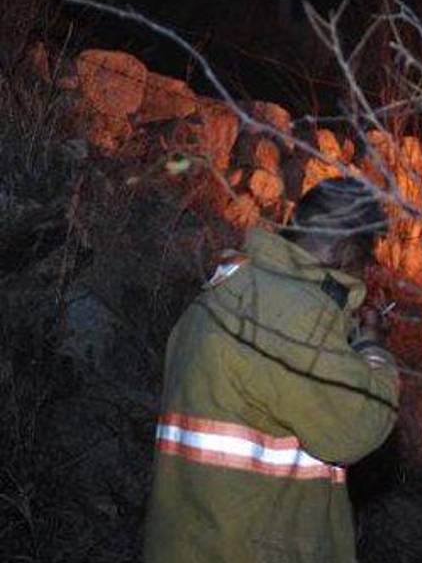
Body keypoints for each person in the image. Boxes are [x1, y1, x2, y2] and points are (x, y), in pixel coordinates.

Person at [143, 177, 400, 563]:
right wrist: (373, 348)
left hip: (191, 540)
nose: (363, 276)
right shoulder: (292, 315)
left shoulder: (231, 289)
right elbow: (356, 427)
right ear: (347, 253)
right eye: (365, 264)